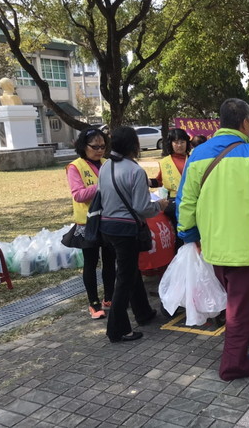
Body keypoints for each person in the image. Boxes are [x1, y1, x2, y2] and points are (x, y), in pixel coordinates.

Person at [176, 98, 249, 380]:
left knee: (238, 302)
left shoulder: (198, 154)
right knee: (239, 307)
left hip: (212, 247)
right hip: (245, 248)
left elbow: (185, 203)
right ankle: (233, 365)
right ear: (244, 123)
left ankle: (244, 339)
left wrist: (189, 235)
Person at [99, 126, 168, 343]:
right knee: (124, 280)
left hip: (107, 227)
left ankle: (143, 313)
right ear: (134, 146)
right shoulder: (135, 171)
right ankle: (117, 330)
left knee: (130, 271)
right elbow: (142, 207)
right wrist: (161, 205)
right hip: (126, 230)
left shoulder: (105, 167)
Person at [66, 128, 116, 320]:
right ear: (83, 147)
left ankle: (109, 297)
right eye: (94, 147)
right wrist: (101, 186)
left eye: (102, 146)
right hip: (88, 223)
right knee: (91, 263)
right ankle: (93, 302)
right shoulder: (74, 167)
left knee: (110, 261)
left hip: (108, 219)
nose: (99, 150)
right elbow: (78, 194)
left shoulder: (108, 163)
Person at [148, 128, 191, 250]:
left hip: (191, 200)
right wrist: (146, 181)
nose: (179, 145)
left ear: (187, 143)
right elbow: (160, 180)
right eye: (176, 142)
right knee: (178, 237)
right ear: (170, 144)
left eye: (182, 142)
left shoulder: (193, 159)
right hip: (173, 202)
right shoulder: (165, 162)